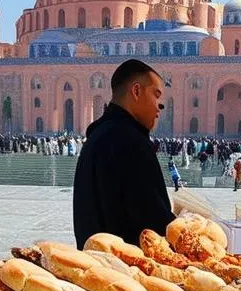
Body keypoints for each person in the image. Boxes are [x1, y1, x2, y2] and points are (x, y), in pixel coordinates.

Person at [72, 59, 173, 247]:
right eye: (156, 95)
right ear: (136, 91)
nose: (160, 106)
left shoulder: (96, 137)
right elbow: (154, 223)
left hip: (99, 265)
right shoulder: (131, 142)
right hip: (129, 269)